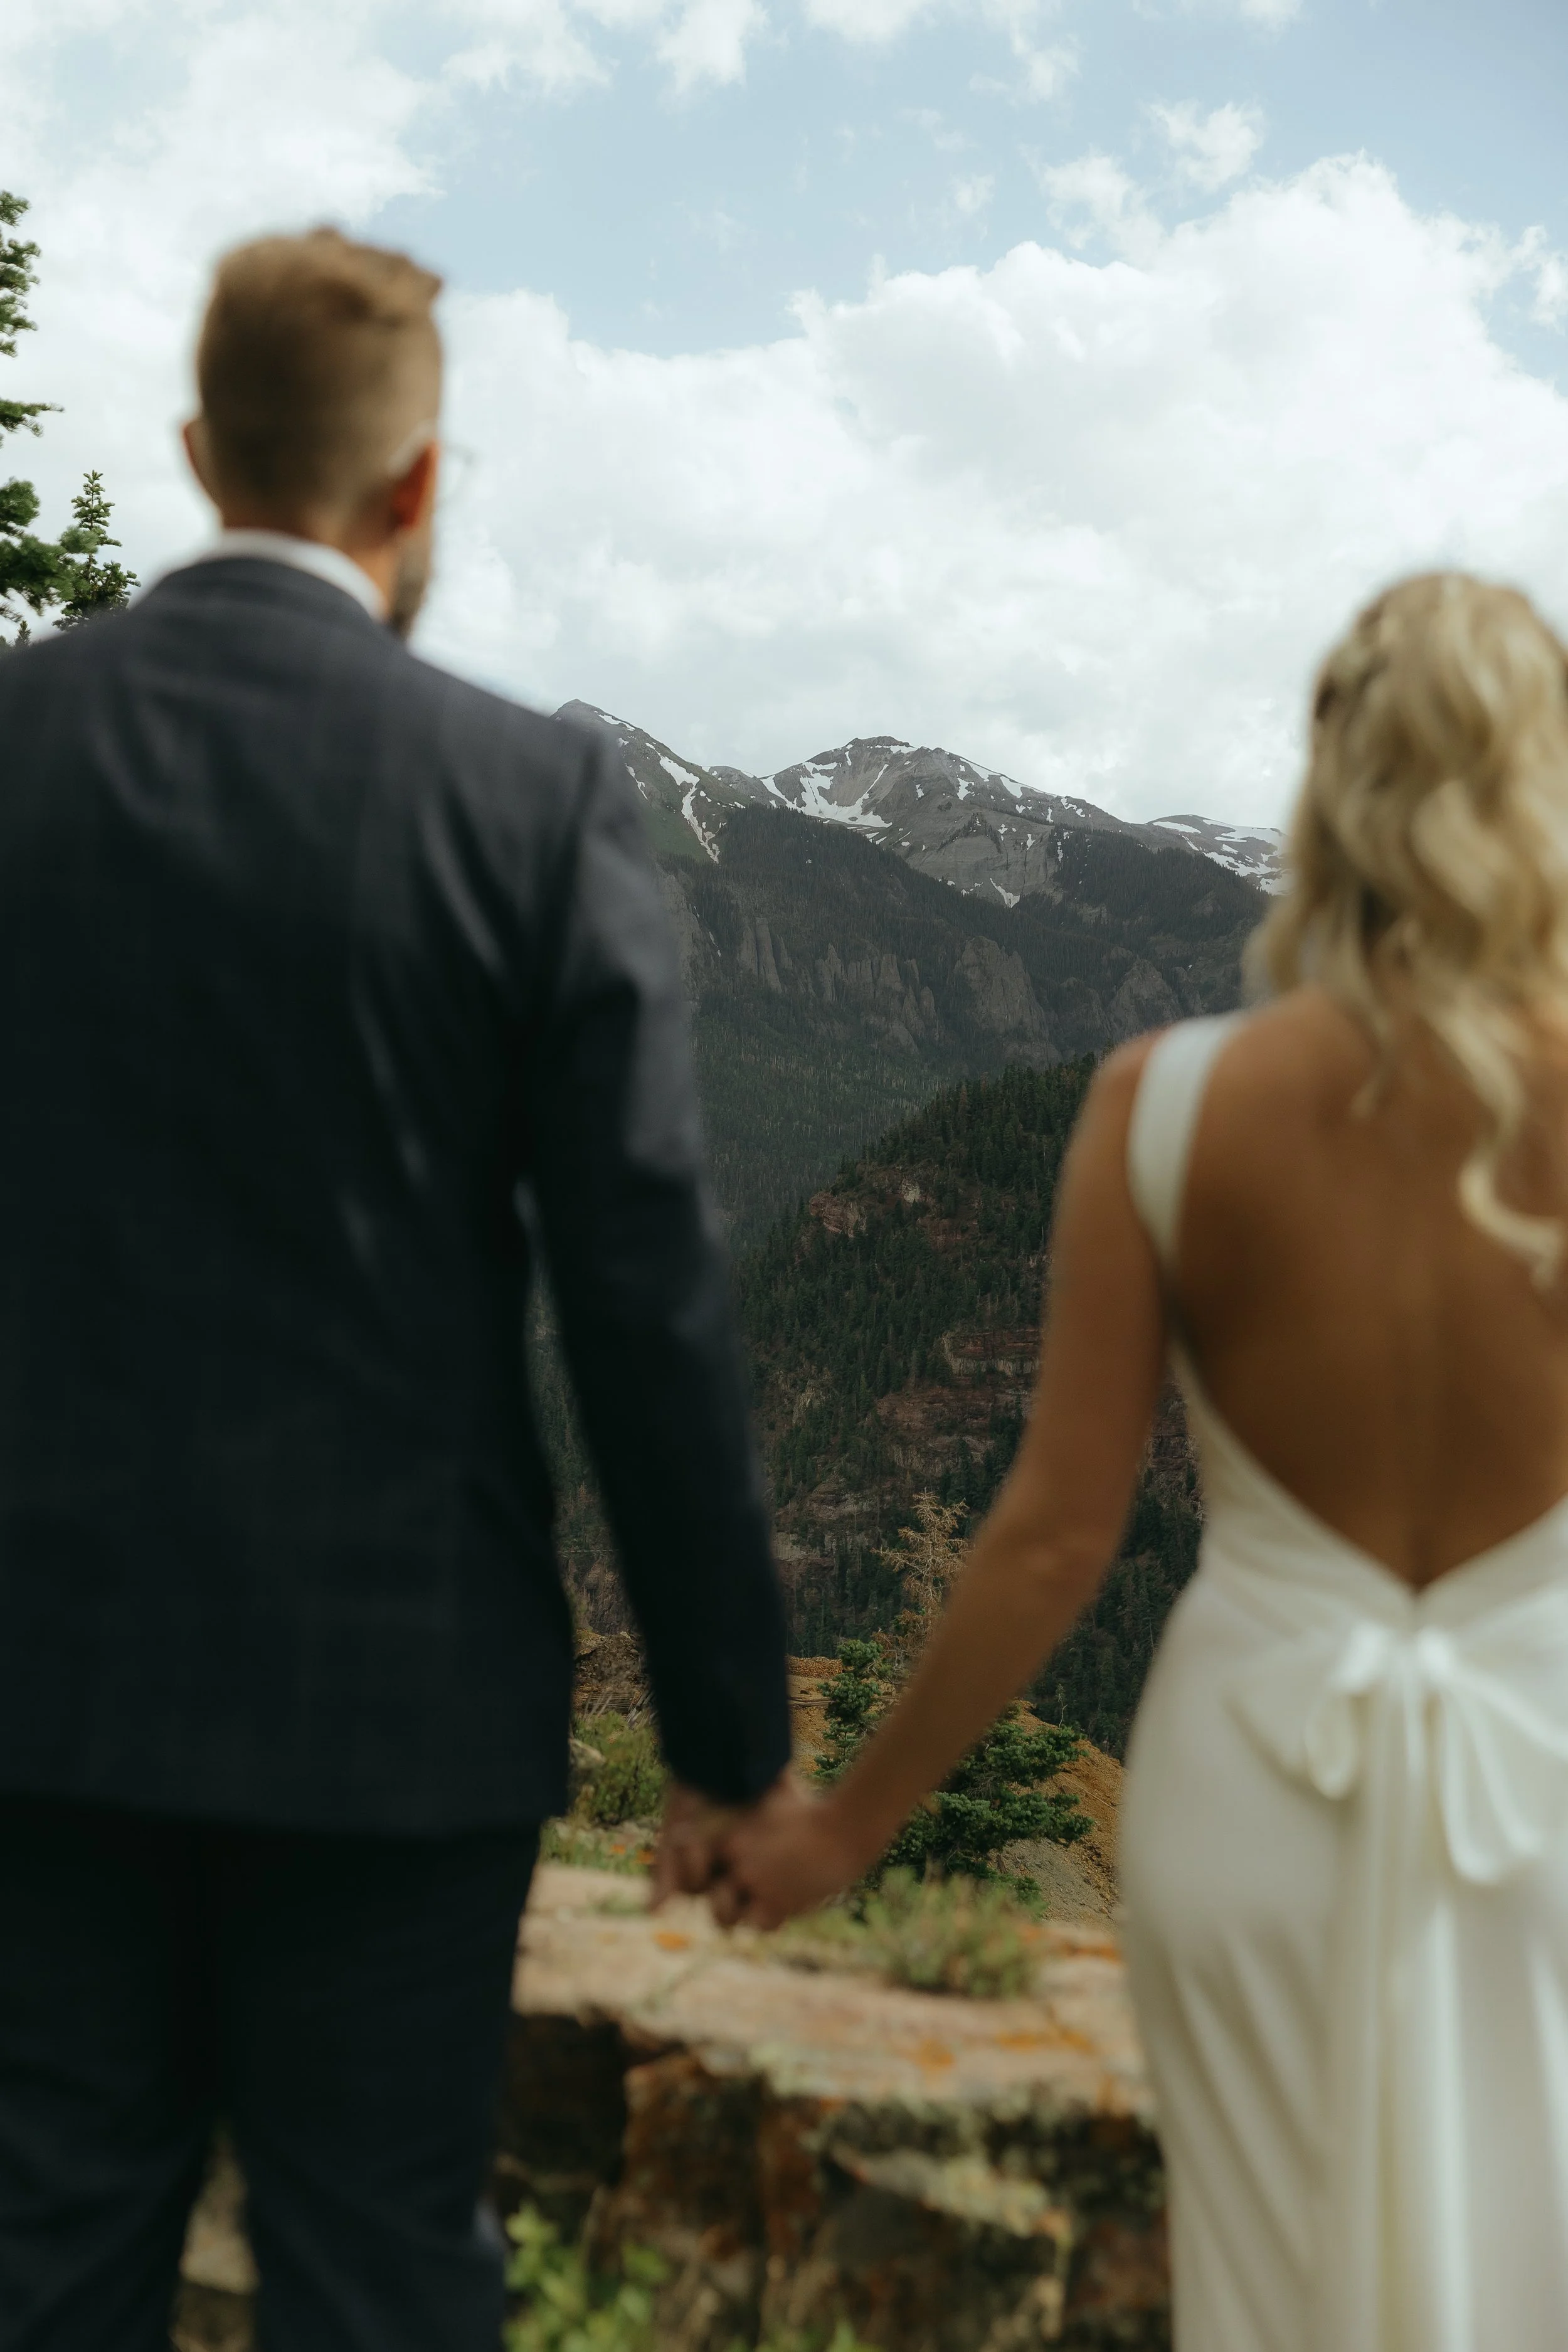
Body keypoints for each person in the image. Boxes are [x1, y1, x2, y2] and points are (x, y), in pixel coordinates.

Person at [0, 228, 792, 2352]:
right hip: (392, 1703)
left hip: (31, 1678)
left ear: (194, 447)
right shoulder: (526, 801)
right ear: (419, 483)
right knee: (379, 2281)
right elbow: (644, 1286)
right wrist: (728, 1742)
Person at [721, 571, 1568, 2352]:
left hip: (1251, 1784)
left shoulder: (1164, 1102)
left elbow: (1047, 1537)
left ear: (1326, 782)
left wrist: (839, 1829)